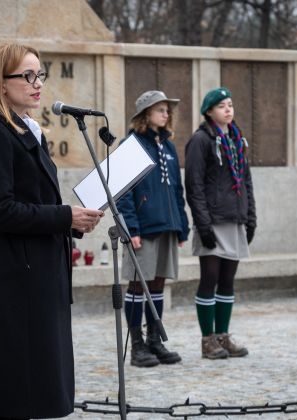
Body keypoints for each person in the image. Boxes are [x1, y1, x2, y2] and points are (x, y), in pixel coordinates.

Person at [0, 43, 104, 419]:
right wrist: (64, 217)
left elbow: (37, 199)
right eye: (26, 75)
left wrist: (75, 221)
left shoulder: (29, 131)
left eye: (39, 74)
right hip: (14, 273)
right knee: (14, 380)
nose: (37, 83)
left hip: (41, 267)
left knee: (39, 376)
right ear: (1, 82)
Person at [117, 90, 190, 367]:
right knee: (138, 285)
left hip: (167, 226)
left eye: (167, 109)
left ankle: (154, 341)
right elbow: (123, 193)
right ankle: (137, 345)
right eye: (160, 109)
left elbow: (176, 190)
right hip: (143, 229)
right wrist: (131, 228)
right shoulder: (131, 145)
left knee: (158, 284)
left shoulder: (168, 146)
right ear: (145, 114)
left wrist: (181, 226)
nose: (166, 114)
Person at [185, 87, 256, 359]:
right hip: (212, 221)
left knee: (227, 280)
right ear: (209, 111)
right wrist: (203, 225)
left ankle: (223, 336)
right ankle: (208, 340)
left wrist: (251, 219)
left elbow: (246, 182)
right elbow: (194, 184)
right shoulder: (201, 140)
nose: (228, 109)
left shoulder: (237, 140)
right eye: (222, 106)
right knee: (210, 279)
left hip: (235, 218)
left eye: (230, 104)